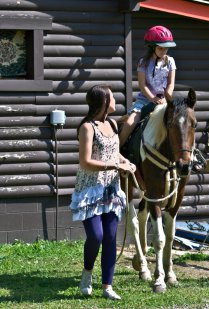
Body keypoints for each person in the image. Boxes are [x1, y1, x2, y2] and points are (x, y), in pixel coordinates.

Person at [69, 84, 136, 300]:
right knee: (96, 236)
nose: (115, 100)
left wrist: (126, 162)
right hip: (90, 190)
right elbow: (86, 162)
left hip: (111, 190)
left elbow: (114, 153)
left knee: (110, 237)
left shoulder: (114, 124)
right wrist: (116, 166)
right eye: (112, 97)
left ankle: (107, 287)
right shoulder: (87, 128)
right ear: (104, 102)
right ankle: (87, 272)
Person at [119, 25, 177, 146]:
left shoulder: (171, 61)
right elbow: (142, 85)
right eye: (161, 48)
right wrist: (153, 98)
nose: (164, 51)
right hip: (145, 100)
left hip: (165, 100)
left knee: (180, 123)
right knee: (129, 123)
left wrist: (166, 97)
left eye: (166, 48)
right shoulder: (143, 63)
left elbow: (171, 84)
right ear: (152, 47)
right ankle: (118, 150)